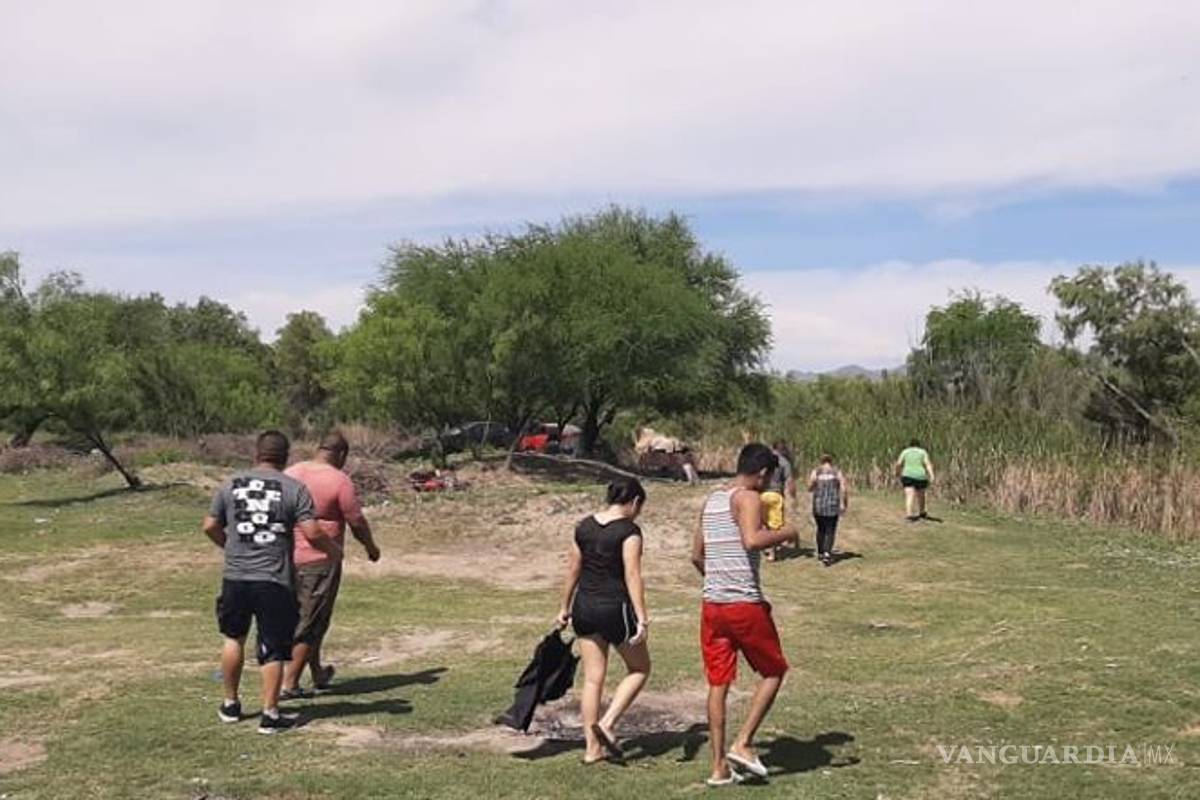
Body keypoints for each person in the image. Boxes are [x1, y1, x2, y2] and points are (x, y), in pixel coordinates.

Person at [202, 431, 341, 734]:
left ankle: (230, 704)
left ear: (257, 453)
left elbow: (210, 525)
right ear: (285, 457)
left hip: (236, 575)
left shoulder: (231, 484)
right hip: (274, 578)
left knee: (233, 638)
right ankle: (270, 713)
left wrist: (230, 546)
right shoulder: (293, 488)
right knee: (273, 647)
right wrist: (335, 552)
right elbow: (313, 532)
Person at [691, 443, 799, 785]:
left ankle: (718, 768)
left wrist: (719, 580)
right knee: (774, 670)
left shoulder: (711, 501)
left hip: (713, 605)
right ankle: (744, 742)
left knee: (718, 683)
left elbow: (696, 556)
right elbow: (752, 540)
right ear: (764, 473)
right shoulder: (749, 497)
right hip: (744, 605)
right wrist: (789, 532)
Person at [555, 477, 651, 764]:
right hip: (615, 608)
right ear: (634, 502)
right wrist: (642, 618)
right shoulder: (629, 531)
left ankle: (591, 750)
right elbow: (632, 575)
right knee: (640, 668)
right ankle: (608, 723)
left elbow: (573, 568)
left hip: (584, 607)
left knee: (592, 679)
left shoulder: (583, 526)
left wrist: (564, 606)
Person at [280, 432, 382, 699]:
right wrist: (371, 548)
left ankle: (317, 673)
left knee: (309, 618)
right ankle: (290, 682)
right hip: (320, 560)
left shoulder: (291, 472)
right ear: (341, 455)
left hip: (285, 557)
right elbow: (356, 520)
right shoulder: (339, 480)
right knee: (311, 620)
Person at [808, 454, 848, 566]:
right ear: (831, 461)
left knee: (820, 528)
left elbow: (810, 487)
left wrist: (815, 486)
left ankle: (820, 551)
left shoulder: (816, 472)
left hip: (819, 505)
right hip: (832, 505)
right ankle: (827, 553)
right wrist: (844, 504)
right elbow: (844, 489)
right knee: (830, 530)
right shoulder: (837, 472)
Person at [761, 441, 797, 562]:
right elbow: (789, 481)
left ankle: (766, 546)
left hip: (763, 494)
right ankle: (772, 552)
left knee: (764, 522)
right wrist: (793, 495)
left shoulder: (764, 459)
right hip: (776, 495)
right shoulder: (784, 462)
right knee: (775, 525)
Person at [895, 439, 935, 522]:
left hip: (907, 475)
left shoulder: (905, 452)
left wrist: (897, 473)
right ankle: (922, 511)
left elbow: (898, 464)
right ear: (918, 445)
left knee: (909, 495)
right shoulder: (922, 452)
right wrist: (931, 475)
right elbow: (927, 464)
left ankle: (909, 514)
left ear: (910, 445)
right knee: (921, 494)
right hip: (920, 475)